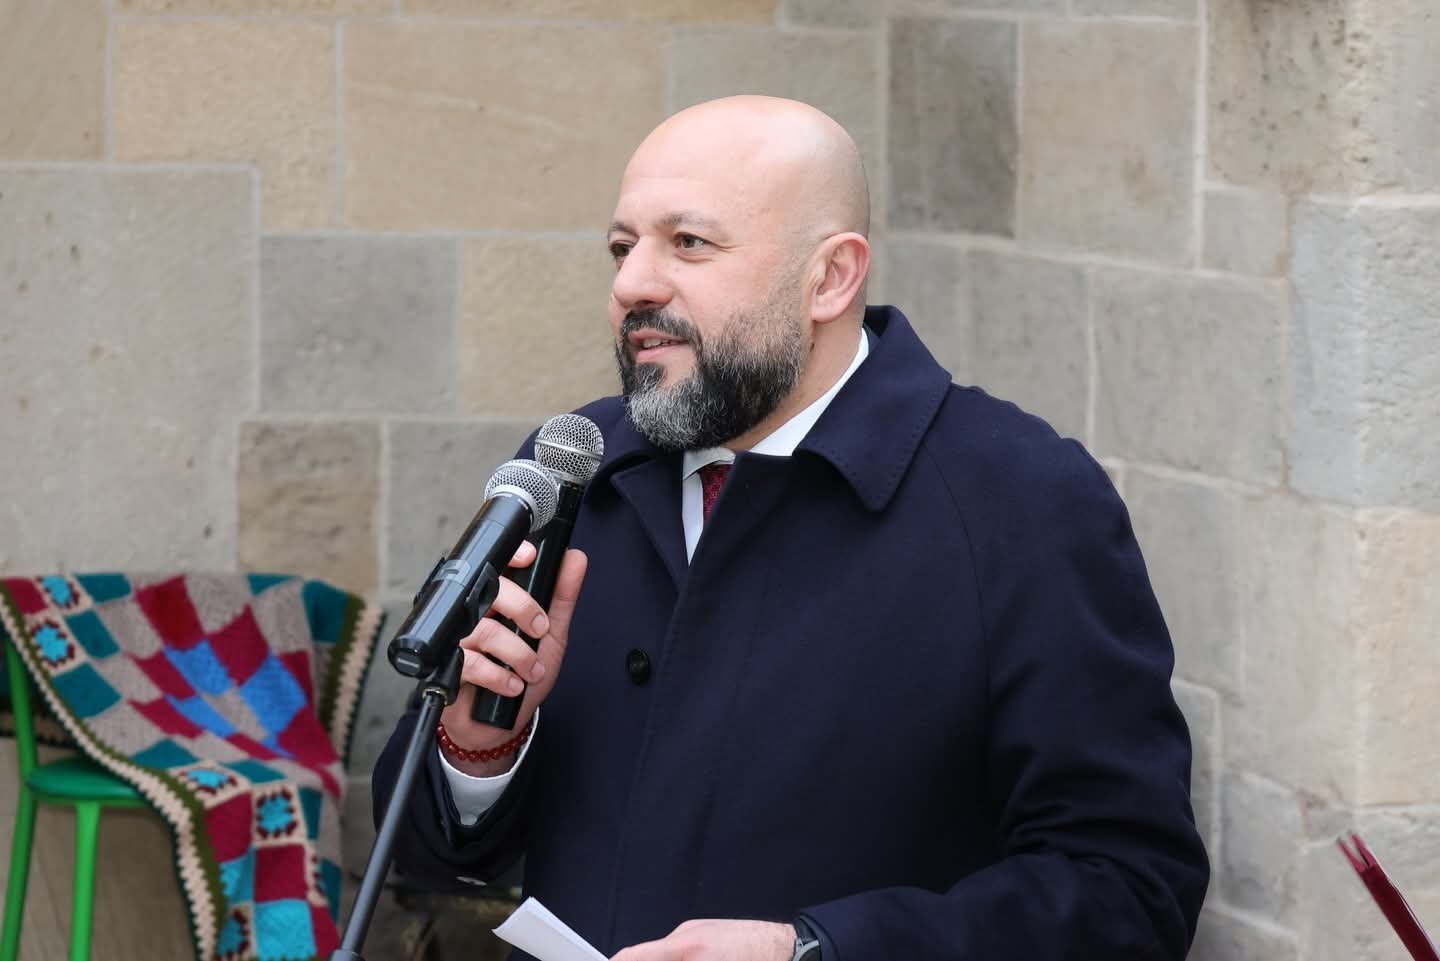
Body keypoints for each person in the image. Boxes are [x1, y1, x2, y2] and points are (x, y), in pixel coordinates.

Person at [374, 95, 1209, 961]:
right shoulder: (572, 472)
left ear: (831, 278)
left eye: (688, 242)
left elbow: (1130, 891)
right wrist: (480, 745)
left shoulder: (1021, 500)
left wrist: (812, 950)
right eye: (623, 247)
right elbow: (431, 856)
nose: (632, 284)